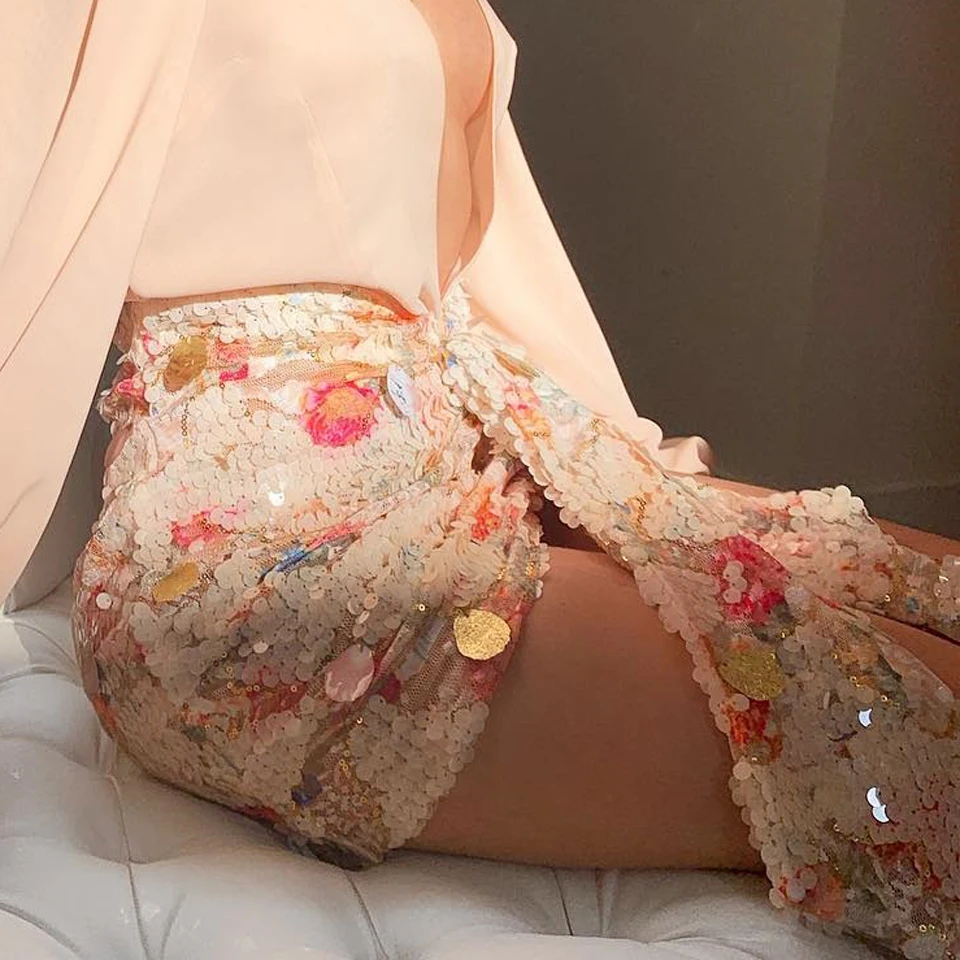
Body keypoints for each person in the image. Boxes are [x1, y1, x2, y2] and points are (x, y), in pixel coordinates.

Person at [2, 3, 958, 957]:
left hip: (460, 450)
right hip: (242, 572)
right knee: (906, 710)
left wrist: (635, 483)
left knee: (923, 587)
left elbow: (475, 283)